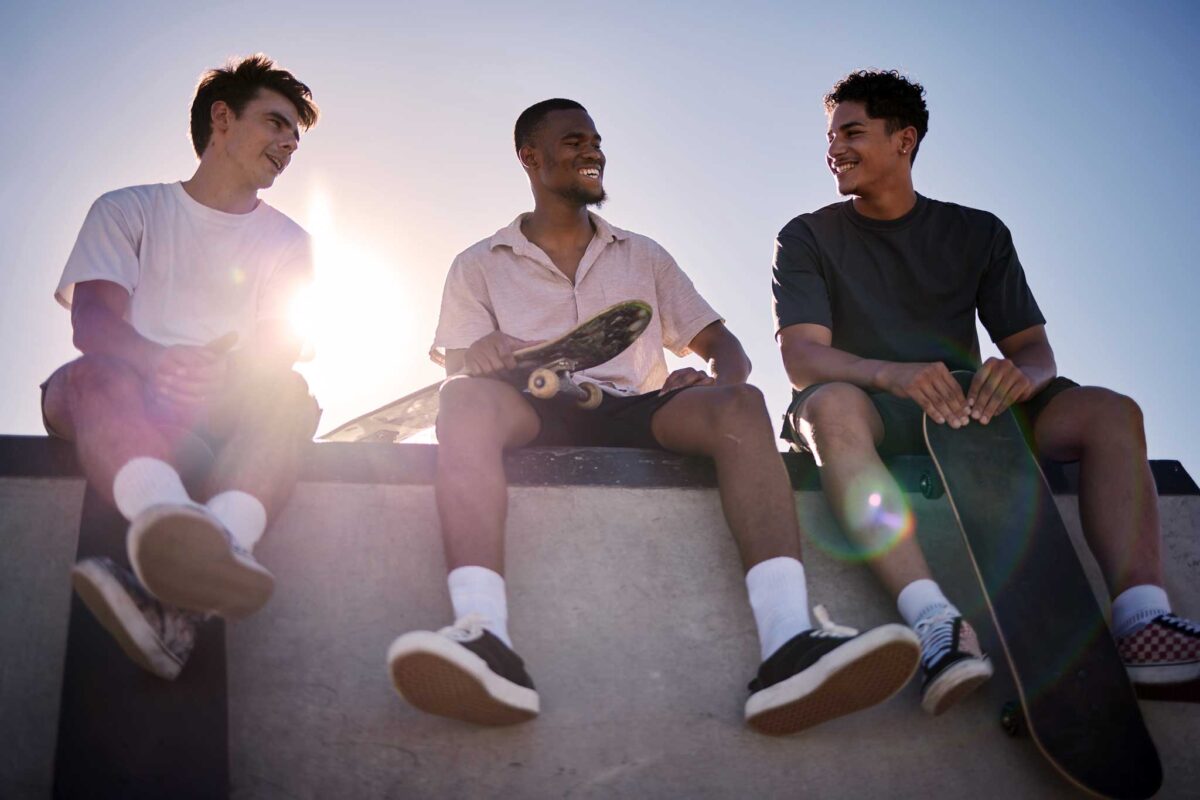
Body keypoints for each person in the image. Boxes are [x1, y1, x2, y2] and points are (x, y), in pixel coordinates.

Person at [386, 98, 921, 734]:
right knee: (462, 399)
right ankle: (483, 637)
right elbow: (456, 367)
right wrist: (477, 356)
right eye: (573, 140)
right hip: (527, 406)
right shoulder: (478, 263)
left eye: (597, 140)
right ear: (529, 157)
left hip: (636, 407)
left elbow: (729, 351)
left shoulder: (642, 255)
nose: (593, 151)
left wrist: (712, 375)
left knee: (741, 403)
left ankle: (789, 643)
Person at [773, 69, 1200, 715]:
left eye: (852, 132)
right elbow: (802, 357)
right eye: (831, 137)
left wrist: (1018, 376)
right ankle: (934, 622)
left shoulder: (980, 232)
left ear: (904, 139)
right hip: (869, 405)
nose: (835, 148)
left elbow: (1035, 352)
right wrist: (891, 373)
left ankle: (1143, 620)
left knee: (1112, 412)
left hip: (966, 410)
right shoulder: (806, 234)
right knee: (829, 405)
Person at [42, 54, 321, 681]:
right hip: (119, 392)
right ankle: (181, 529)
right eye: (275, 124)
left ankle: (185, 591)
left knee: (291, 396)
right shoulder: (127, 208)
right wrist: (160, 362)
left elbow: (277, 350)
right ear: (221, 118)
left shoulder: (289, 243)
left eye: (294, 138)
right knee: (97, 374)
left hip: (225, 403)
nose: (286, 145)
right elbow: (93, 324)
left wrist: (223, 379)